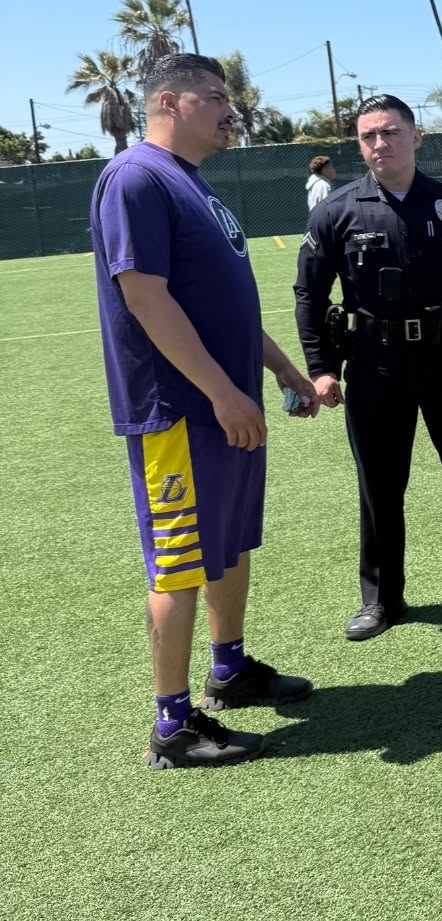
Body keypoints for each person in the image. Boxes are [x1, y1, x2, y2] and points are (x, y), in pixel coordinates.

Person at [89, 53, 318, 771]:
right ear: (168, 101)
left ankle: (228, 670)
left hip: (224, 408)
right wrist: (221, 392)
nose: (231, 109)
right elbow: (146, 297)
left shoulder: (191, 183)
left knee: (229, 544)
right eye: (216, 97)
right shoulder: (134, 177)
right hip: (180, 412)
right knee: (181, 563)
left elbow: (220, 300)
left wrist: (278, 366)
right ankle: (172, 724)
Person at [293, 95, 442, 640]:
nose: (378, 145)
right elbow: (309, 294)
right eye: (368, 136)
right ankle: (381, 600)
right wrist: (322, 369)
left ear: (416, 137)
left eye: (389, 133)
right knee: (380, 486)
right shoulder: (337, 211)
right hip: (375, 364)